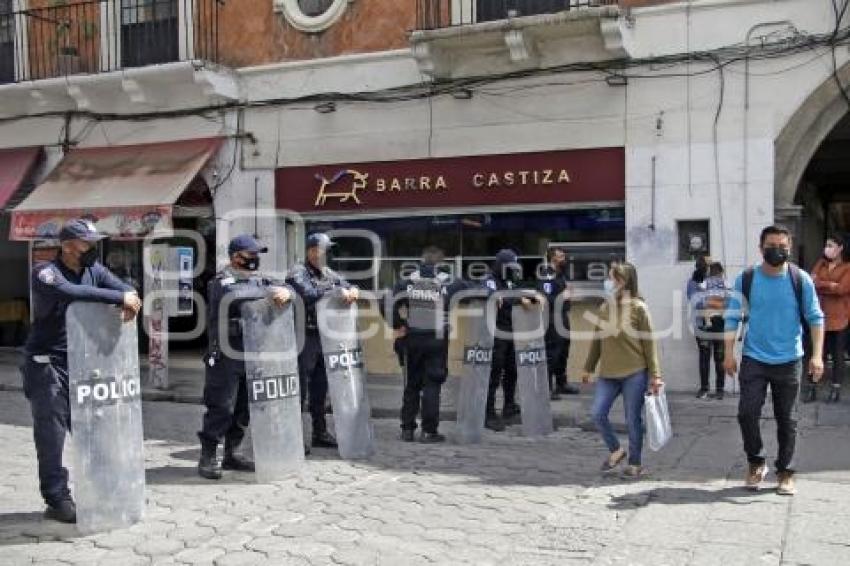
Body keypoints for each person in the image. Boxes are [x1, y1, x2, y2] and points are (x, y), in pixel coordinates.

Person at [21, 219, 142, 523]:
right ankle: (56, 498)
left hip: (82, 363)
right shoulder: (45, 272)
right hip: (47, 365)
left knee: (92, 431)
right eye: (86, 243)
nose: (92, 248)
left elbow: (125, 288)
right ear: (68, 246)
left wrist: (128, 299)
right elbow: (71, 292)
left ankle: (103, 488)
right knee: (52, 435)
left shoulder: (94, 269)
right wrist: (119, 299)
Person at [724, 225, 824, 496]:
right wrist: (728, 355)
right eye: (772, 246)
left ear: (789, 249)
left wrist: (816, 356)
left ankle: (785, 472)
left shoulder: (800, 279)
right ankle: (756, 462)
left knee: (787, 419)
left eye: (783, 246)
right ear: (761, 248)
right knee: (746, 413)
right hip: (754, 357)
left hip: (790, 359)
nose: (777, 250)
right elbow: (732, 316)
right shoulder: (746, 279)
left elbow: (815, 318)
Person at [197, 235, 292, 480]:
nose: (255, 259)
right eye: (251, 255)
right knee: (222, 407)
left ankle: (233, 453)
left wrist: (285, 291)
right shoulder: (220, 281)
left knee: (243, 408)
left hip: (252, 353)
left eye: (256, 255)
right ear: (235, 257)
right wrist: (272, 291)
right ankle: (208, 456)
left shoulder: (260, 280)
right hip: (225, 355)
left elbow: (290, 288)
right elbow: (238, 295)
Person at [582, 261, 663, 479]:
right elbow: (597, 341)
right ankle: (617, 450)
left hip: (634, 372)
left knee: (632, 419)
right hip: (608, 373)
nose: (610, 283)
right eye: (610, 278)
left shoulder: (639, 308)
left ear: (626, 282)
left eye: (614, 278)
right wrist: (588, 367)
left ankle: (635, 463)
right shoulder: (604, 307)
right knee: (597, 414)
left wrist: (655, 375)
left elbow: (649, 344)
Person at [287, 233, 359, 450]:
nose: (327, 253)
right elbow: (308, 294)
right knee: (299, 390)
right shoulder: (297, 272)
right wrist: (338, 290)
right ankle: (296, 438)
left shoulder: (328, 272)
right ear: (311, 251)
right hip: (304, 337)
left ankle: (319, 432)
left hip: (325, 337)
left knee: (321, 388)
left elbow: (349, 284)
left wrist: (353, 289)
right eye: (324, 249)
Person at [389, 246, 468, 443]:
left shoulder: (407, 281)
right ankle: (429, 431)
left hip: (412, 338)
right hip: (436, 340)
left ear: (421, 261)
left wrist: (398, 325)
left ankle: (407, 430)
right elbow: (475, 290)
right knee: (432, 384)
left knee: (412, 385)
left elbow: (387, 302)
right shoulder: (449, 281)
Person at [482, 249, 523, 432]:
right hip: (495, 333)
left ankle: (509, 405)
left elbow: (514, 297)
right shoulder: (490, 279)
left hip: (510, 331)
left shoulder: (509, 281)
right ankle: (488, 413)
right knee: (494, 374)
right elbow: (486, 293)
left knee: (512, 370)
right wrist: (496, 297)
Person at [810, 235, 850, 403]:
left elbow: (842, 289)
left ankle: (835, 389)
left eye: (830, 245)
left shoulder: (848, 268)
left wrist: (822, 284)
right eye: (826, 245)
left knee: (837, 354)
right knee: (818, 353)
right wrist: (830, 285)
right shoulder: (821, 263)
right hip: (820, 316)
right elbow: (811, 282)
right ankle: (812, 387)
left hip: (840, 317)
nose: (826, 248)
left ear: (840, 248)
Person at [537, 246, 580, 400]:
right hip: (552, 319)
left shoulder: (560, 274)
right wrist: (563, 295)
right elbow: (545, 300)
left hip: (563, 316)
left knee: (563, 351)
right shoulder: (547, 275)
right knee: (552, 353)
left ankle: (561, 383)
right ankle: (546, 388)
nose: (564, 259)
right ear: (552, 258)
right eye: (561, 256)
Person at [696, 262, 729, 400]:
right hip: (720, 322)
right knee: (719, 357)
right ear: (721, 272)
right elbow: (729, 300)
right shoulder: (725, 282)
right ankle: (719, 390)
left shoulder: (705, 282)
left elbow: (700, 298)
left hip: (706, 321)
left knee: (705, 357)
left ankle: (704, 388)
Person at [686, 254, 712, 398]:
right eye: (708, 265)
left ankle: (719, 388)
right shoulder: (693, 282)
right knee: (704, 355)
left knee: (719, 356)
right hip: (701, 324)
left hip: (717, 323)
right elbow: (695, 301)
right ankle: (704, 388)